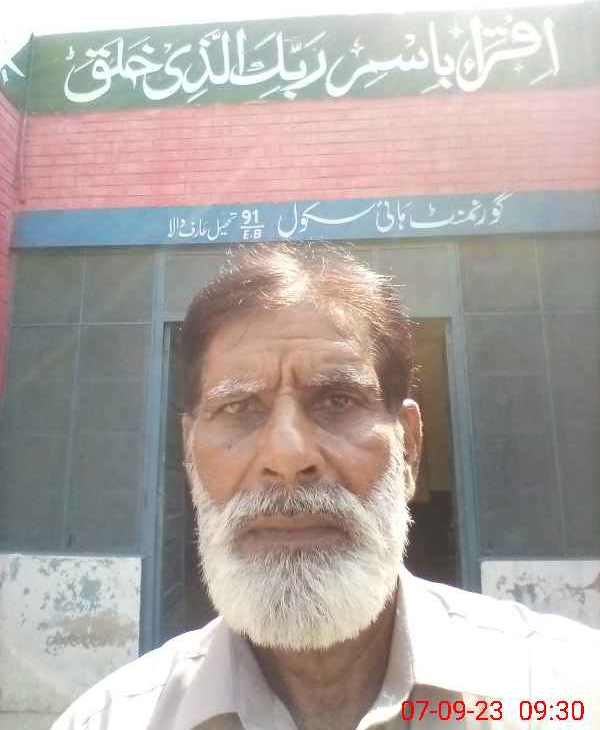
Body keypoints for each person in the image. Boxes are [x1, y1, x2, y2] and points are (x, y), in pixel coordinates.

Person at [54, 244, 599, 730]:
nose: (288, 458)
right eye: (240, 407)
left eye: (338, 401)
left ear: (409, 449)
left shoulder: (567, 694)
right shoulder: (109, 720)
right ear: (190, 453)